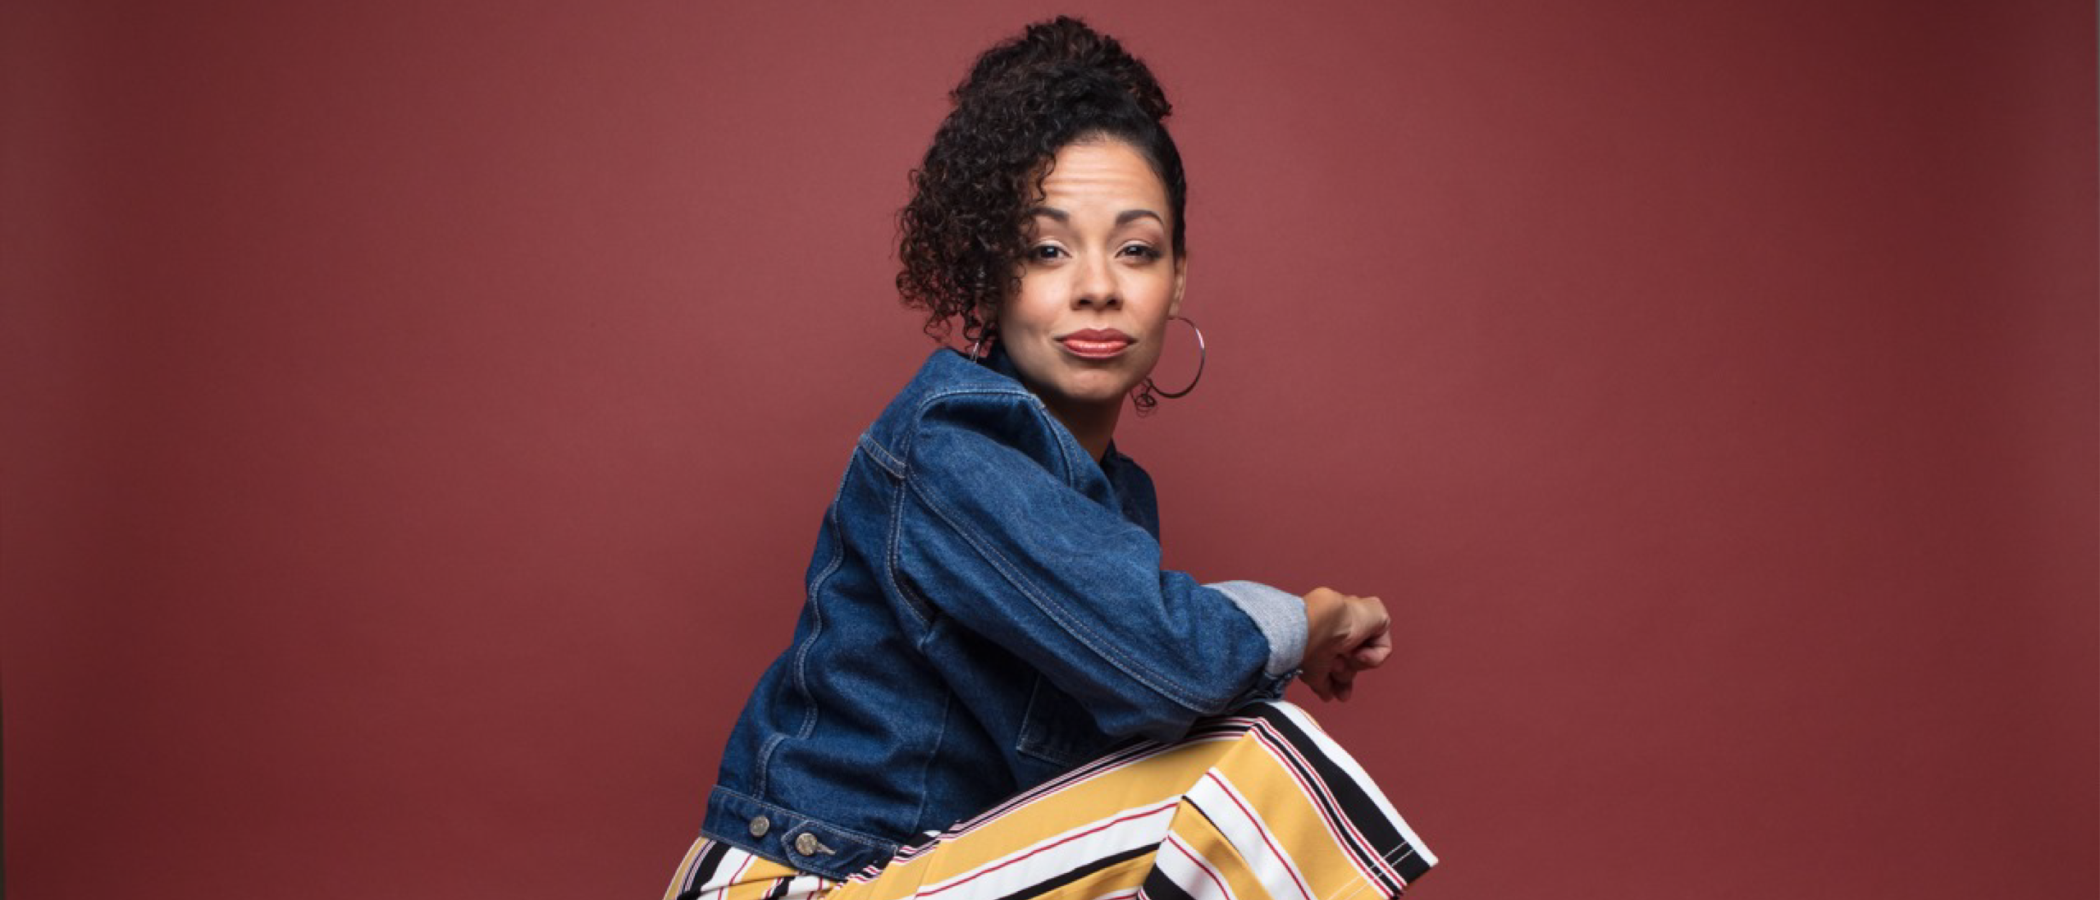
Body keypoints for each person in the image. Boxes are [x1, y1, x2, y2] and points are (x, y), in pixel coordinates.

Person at [665, 16, 1435, 900]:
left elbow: (1151, 674)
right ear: (990, 273)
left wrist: (1274, 641)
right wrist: (1316, 616)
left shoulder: (1100, 496)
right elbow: (1172, 659)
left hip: (914, 877)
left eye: (1136, 249)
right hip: (804, 884)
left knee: (1223, 734)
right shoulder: (954, 446)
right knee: (1254, 761)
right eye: (1047, 249)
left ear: (1177, 276)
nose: (1098, 284)